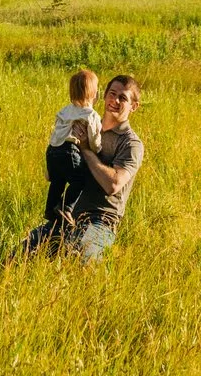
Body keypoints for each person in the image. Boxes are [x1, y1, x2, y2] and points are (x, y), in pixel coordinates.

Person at [27, 72, 143, 262]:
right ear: (103, 95)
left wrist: (86, 149)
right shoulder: (83, 123)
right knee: (21, 254)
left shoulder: (131, 143)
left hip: (100, 221)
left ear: (134, 106)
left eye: (123, 98)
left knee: (79, 259)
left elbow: (113, 184)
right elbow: (54, 172)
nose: (115, 101)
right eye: (112, 94)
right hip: (68, 216)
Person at [43, 68, 102, 228]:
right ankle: (66, 207)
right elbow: (94, 138)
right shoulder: (91, 115)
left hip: (53, 150)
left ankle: (50, 209)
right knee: (80, 181)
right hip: (70, 151)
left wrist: (48, 165)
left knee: (57, 182)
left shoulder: (64, 111)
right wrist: (97, 150)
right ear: (94, 94)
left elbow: (56, 132)